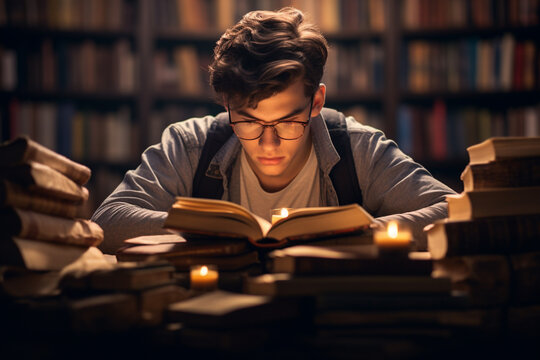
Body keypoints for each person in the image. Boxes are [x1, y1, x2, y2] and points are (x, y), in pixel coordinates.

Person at [92, 7, 456, 254]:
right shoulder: (190, 144)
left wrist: (347, 236)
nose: (269, 143)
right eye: (248, 121)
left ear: (316, 102)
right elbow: (108, 222)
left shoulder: (357, 148)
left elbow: (453, 213)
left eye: (287, 122)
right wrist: (212, 230)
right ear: (227, 104)